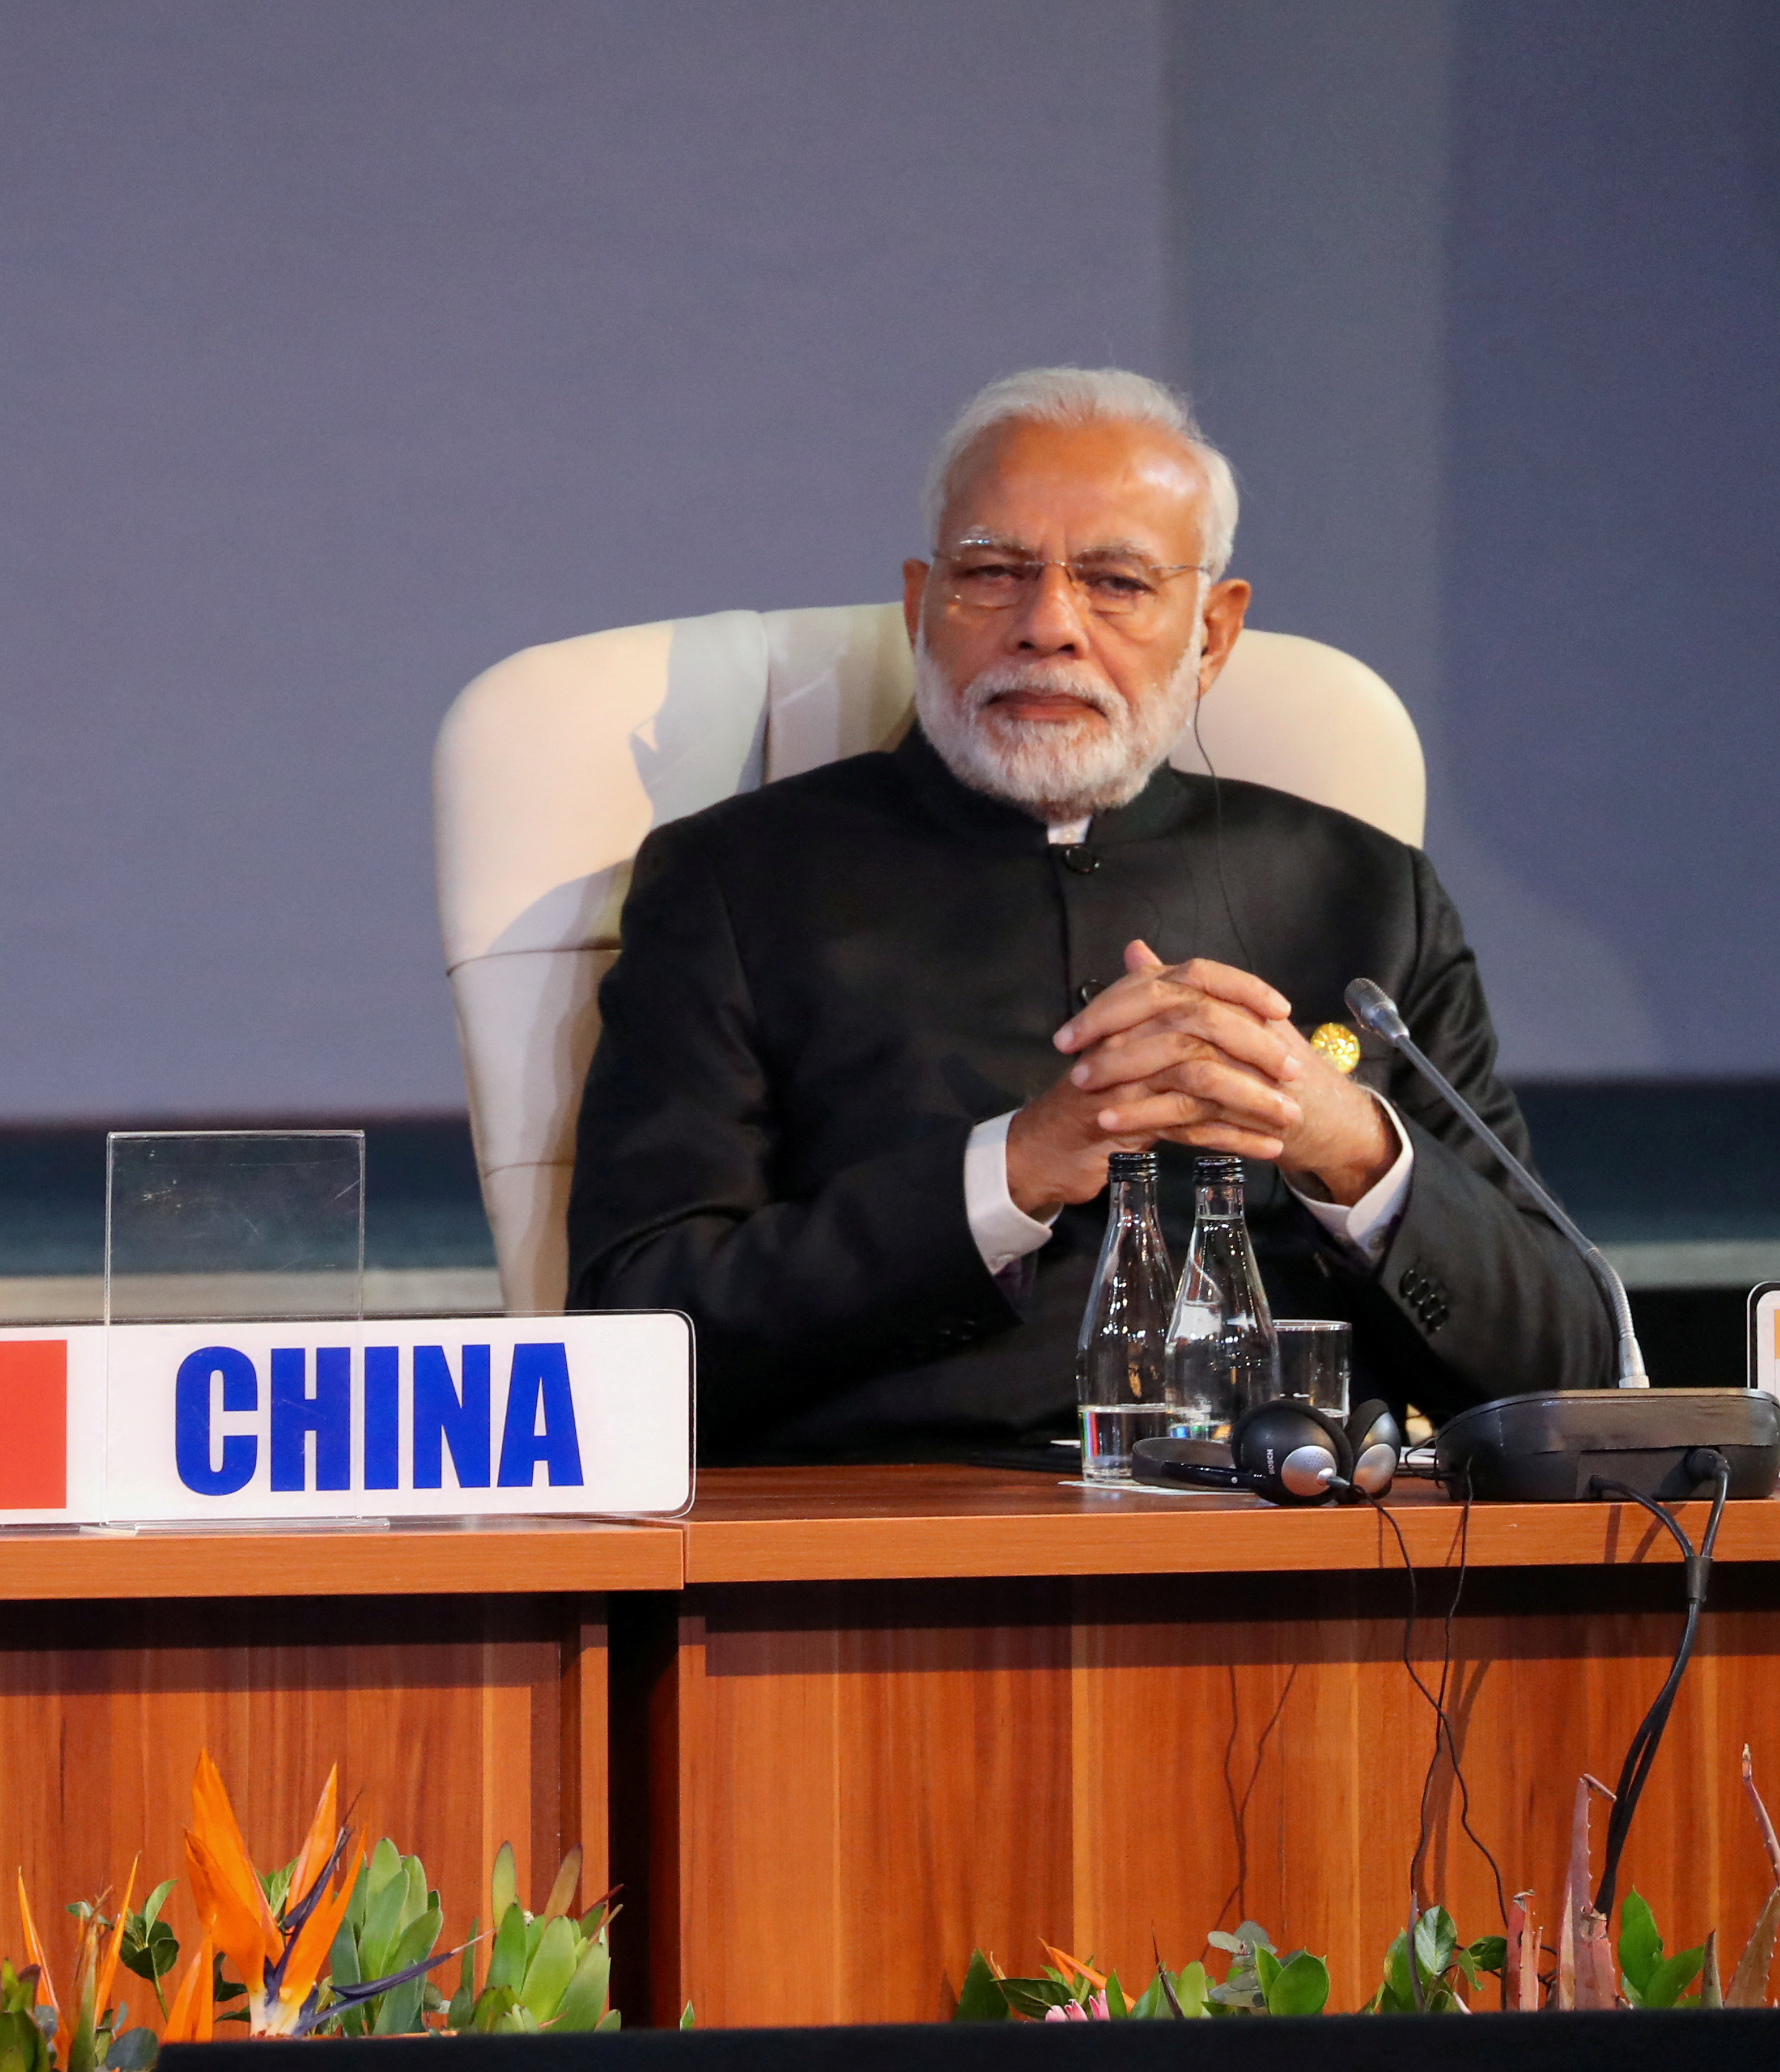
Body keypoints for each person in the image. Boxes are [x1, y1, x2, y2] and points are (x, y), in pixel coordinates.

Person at [564, 367, 1616, 1460]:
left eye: (1116, 582)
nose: (1047, 626)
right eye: (993, 572)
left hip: (1292, 1537)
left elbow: (1572, 1374)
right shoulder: (735, 883)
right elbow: (633, 1342)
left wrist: (1348, 1147)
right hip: (897, 1535)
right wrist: (1011, 1171)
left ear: (1213, 633)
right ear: (921, 605)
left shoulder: (1367, 894)